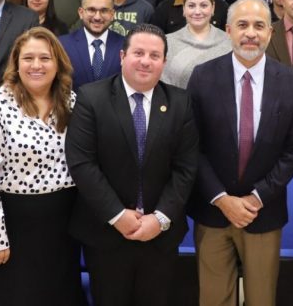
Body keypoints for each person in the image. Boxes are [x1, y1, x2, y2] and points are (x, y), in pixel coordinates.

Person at [185, 0, 293, 306]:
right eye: (242, 25)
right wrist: (222, 199)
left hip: (263, 212)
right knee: (213, 299)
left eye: (258, 26)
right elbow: (191, 145)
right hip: (213, 210)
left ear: (271, 32)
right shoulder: (202, 76)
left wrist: (256, 198)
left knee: (262, 299)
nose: (250, 33)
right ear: (228, 30)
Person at [64, 24, 199, 306]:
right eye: (138, 52)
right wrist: (117, 215)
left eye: (154, 55)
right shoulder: (91, 98)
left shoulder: (180, 102)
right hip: (105, 233)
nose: (146, 61)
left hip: (159, 236)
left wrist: (160, 218)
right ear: (122, 56)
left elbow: (185, 169)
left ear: (164, 62)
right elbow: (82, 163)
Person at [0, 27, 85, 304]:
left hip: (63, 224)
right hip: (14, 224)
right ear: (16, 64)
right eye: (28, 58)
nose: (36, 65)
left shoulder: (72, 103)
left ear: (58, 63)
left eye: (45, 58)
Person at [160, 0, 232, 88]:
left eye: (203, 5)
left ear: (213, 8)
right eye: (191, 6)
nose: (197, 12)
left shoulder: (229, 42)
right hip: (180, 103)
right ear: (184, 9)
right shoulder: (167, 42)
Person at [61, 0, 125, 91]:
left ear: (112, 14)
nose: (97, 17)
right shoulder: (62, 45)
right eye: (91, 10)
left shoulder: (125, 45)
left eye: (104, 11)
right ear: (81, 12)